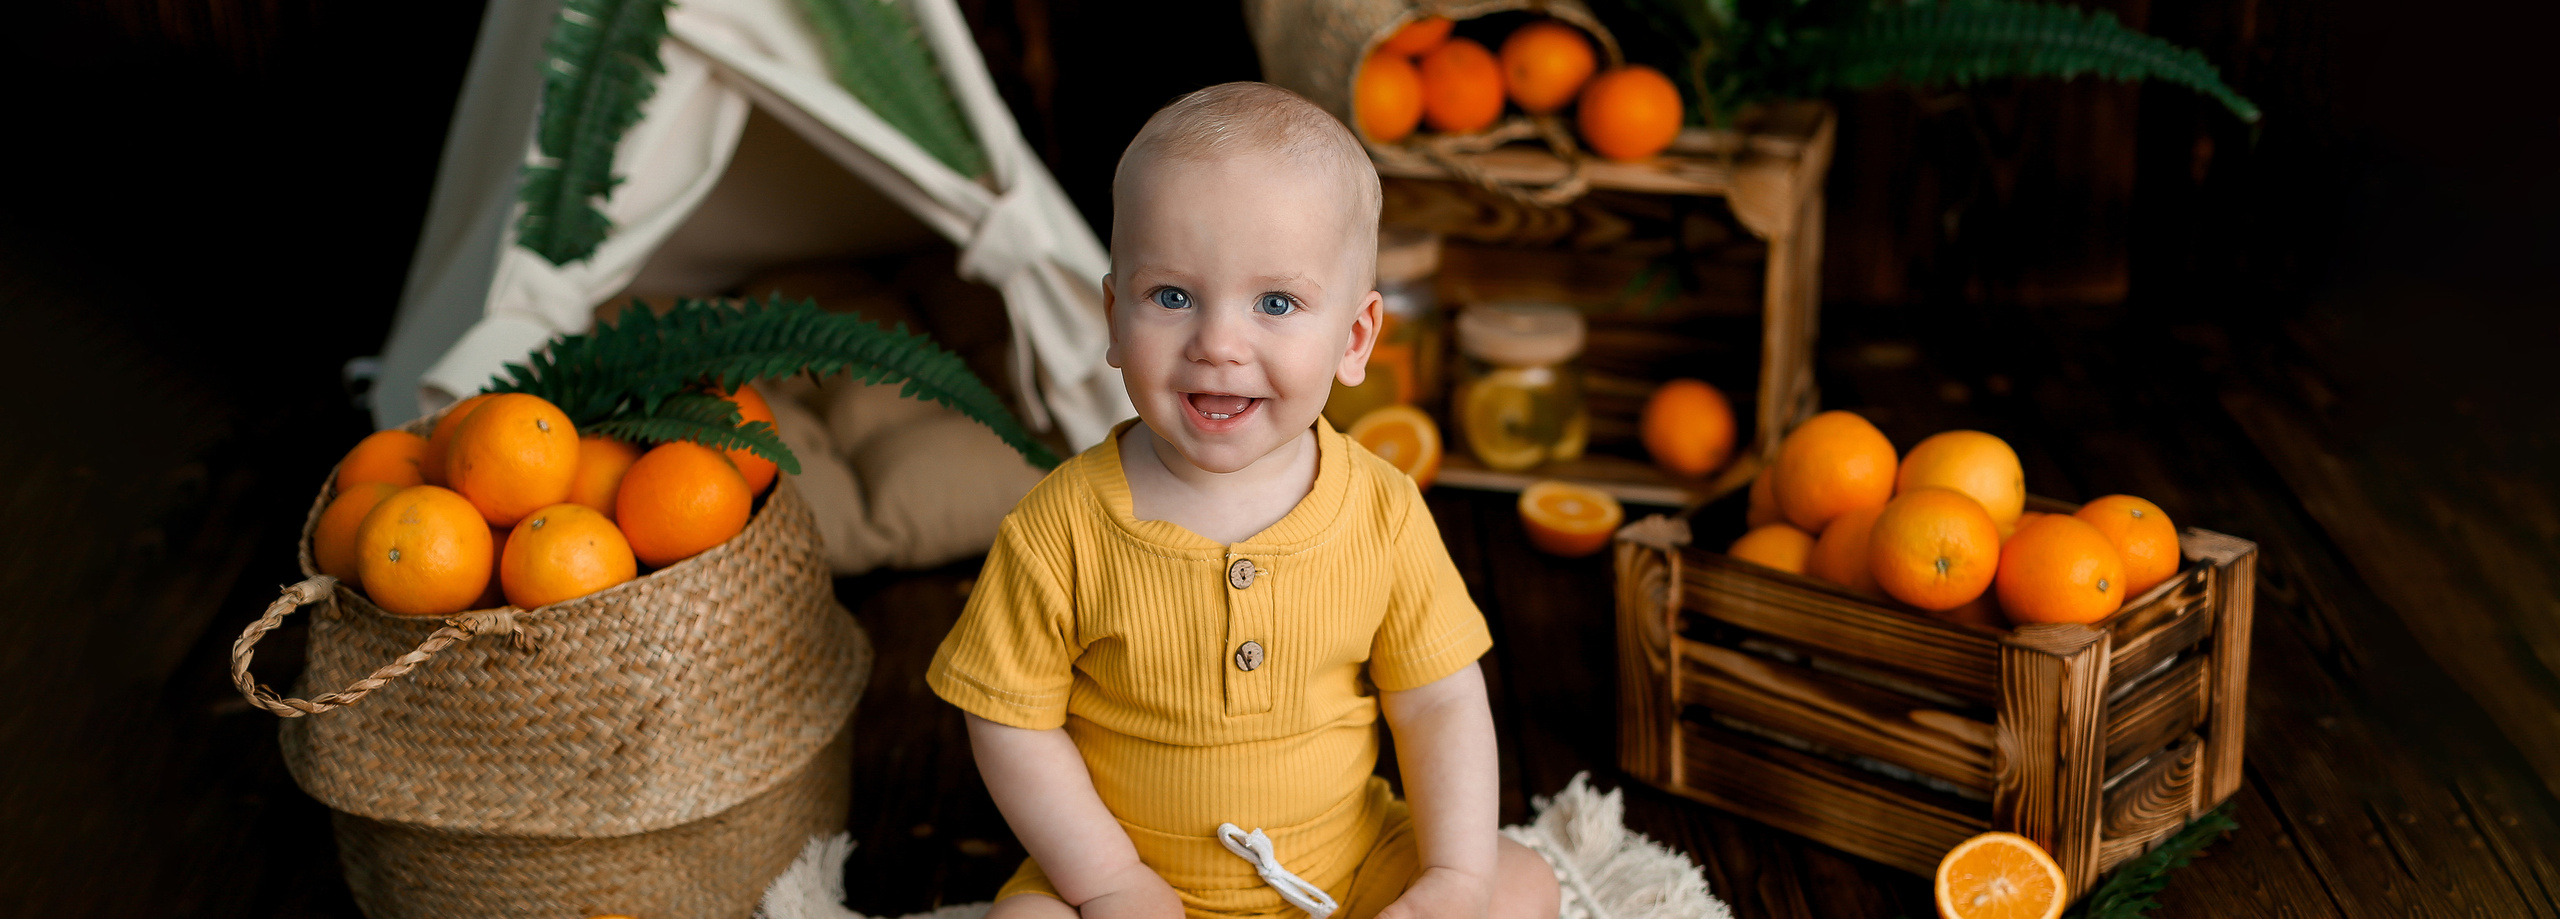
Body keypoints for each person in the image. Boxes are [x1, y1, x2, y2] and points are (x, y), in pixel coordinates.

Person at [927, 82, 1561, 919]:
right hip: (1138, 880)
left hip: (1350, 867)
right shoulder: (1061, 528)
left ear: (1355, 338)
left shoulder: (1382, 511)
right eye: (1173, 297)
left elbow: (1439, 699)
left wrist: (1452, 877)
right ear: (1114, 318)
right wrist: (1107, 879)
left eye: (1276, 303)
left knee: (1521, 885)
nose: (1219, 344)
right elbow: (1010, 720)